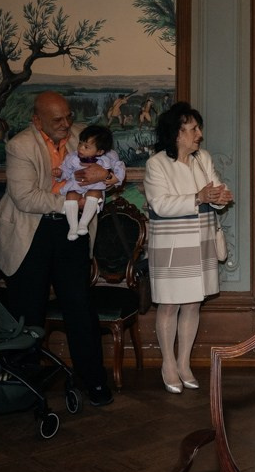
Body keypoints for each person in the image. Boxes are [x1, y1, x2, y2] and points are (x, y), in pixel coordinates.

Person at [0, 91, 116, 406]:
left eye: (68, 116)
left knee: (79, 306)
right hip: (30, 232)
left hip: (72, 231)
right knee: (28, 311)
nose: (66, 124)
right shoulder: (19, 146)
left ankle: (94, 381)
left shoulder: (83, 137)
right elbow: (25, 198)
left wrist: (106, 176)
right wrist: (72, 201)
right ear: (37, 120)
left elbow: (111, 176)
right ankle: (23, 385)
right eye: (58, 119)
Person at [144, 102, 233, 396]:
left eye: (198, 129)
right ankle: (168, 364)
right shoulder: (157, 164)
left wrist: (221, 197)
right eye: (193, 129)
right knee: (170, 305)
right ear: (176, 133)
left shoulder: (202, 158)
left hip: (201, 243)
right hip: (171, 246)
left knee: (193, 303)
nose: (199, 135)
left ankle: (184, 363)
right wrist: (198, 197)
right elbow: (160, 205)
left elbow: (215, 191)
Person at [58, 125, 126, 241]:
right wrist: (60, 173)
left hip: (95, 187)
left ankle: (83, 224)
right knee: (71, 195)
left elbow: (118, 166)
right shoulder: (73, 157)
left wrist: (115, 178)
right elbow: (66, 170)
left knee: (94, 193)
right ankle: (73, 227)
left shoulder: (106, 159)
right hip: (76, 185)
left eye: (86, 147)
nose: (80, 148)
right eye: (80, 144)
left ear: (99, 151)